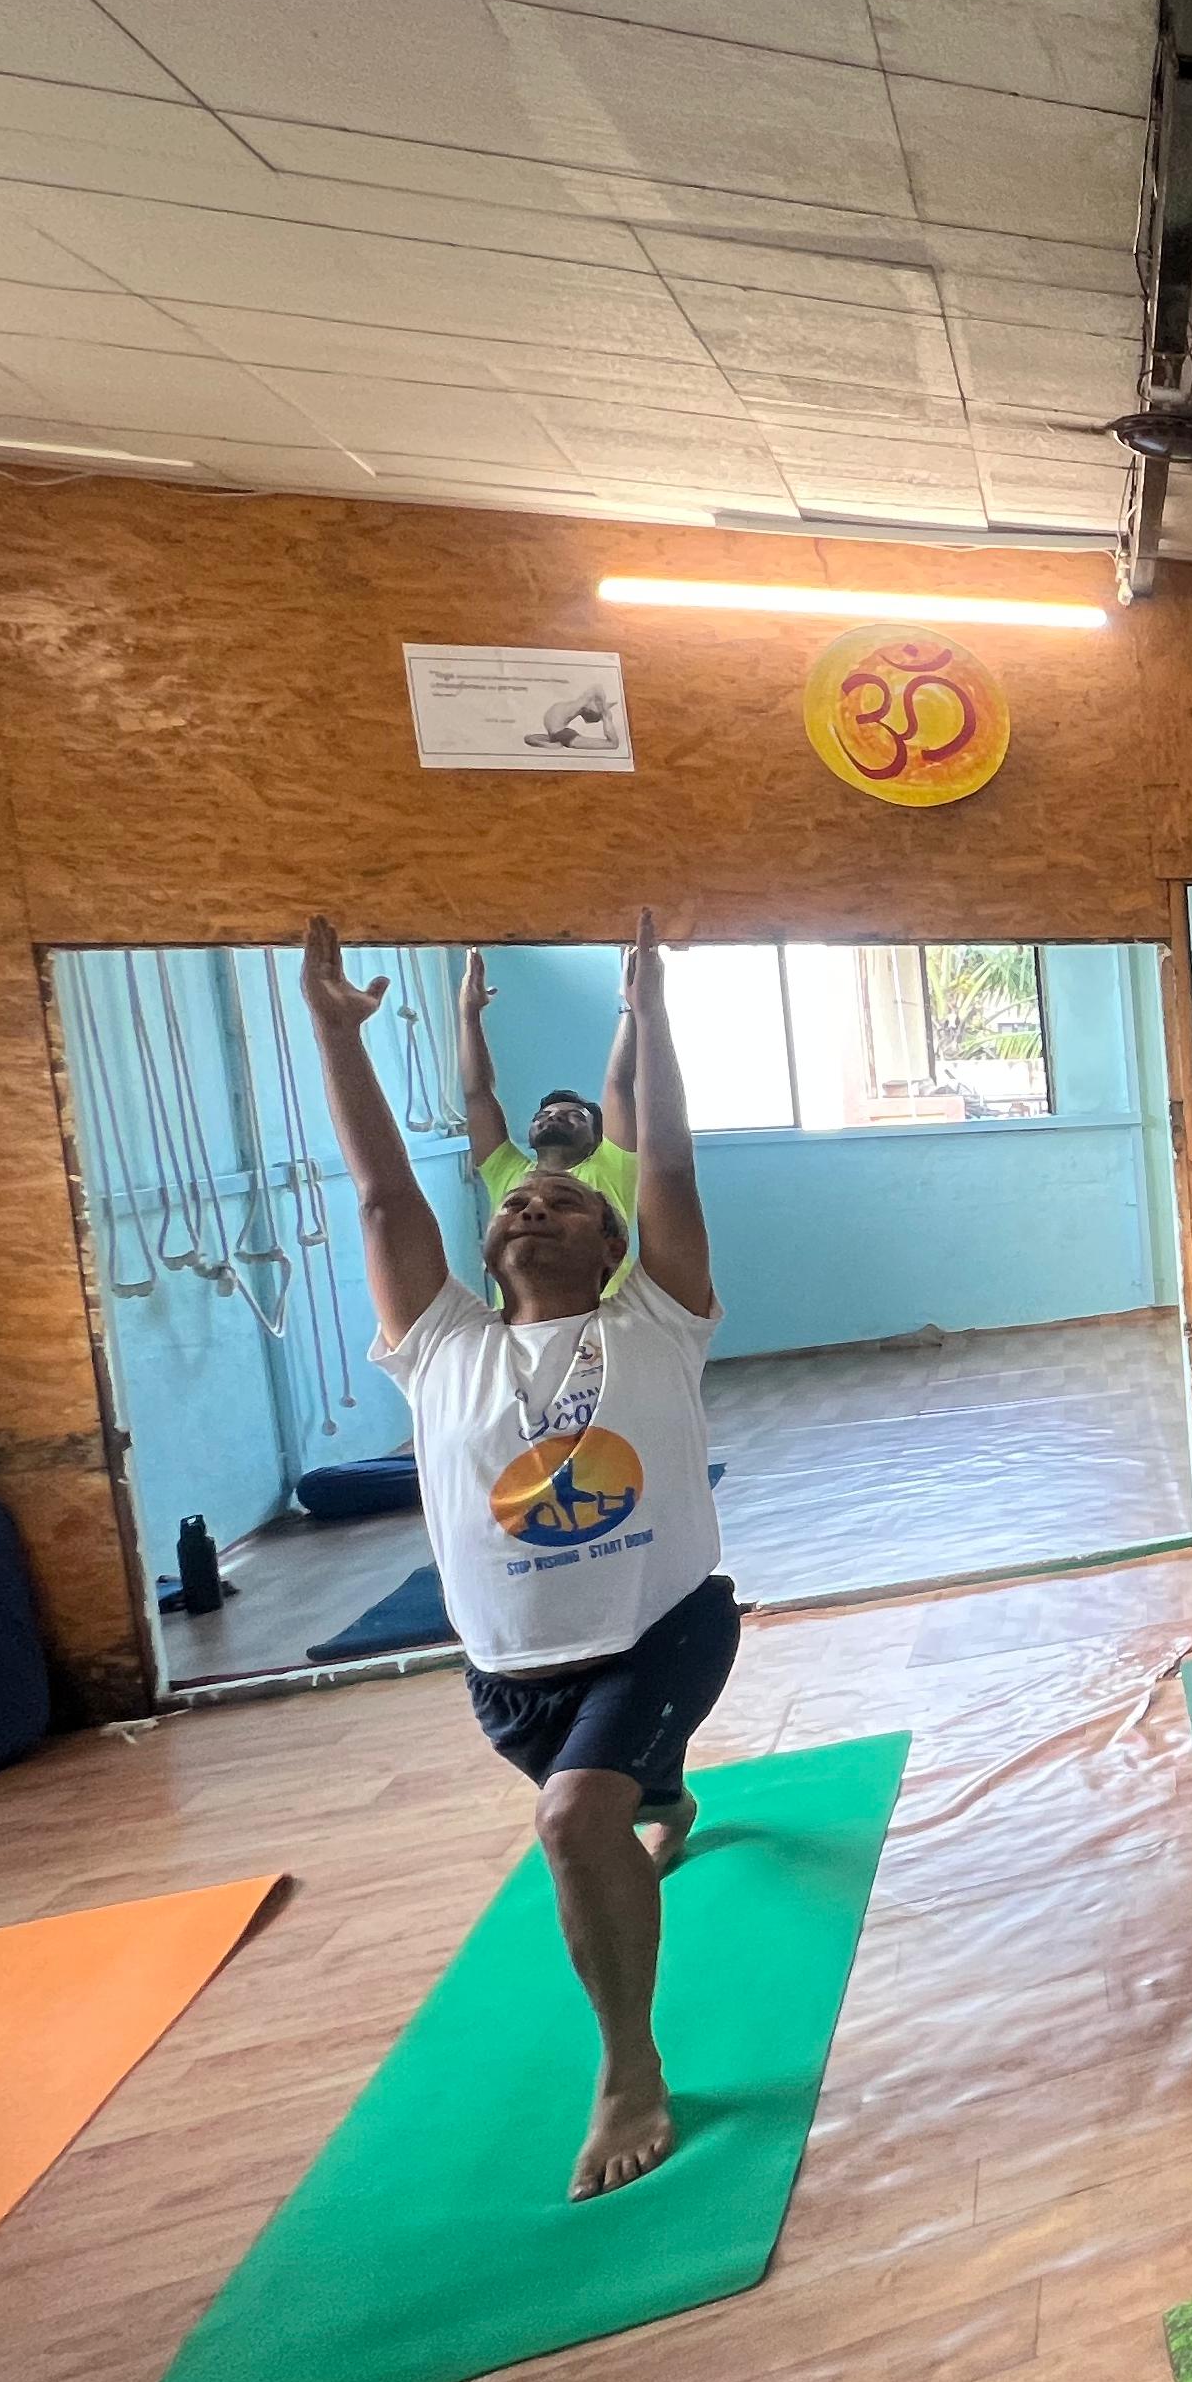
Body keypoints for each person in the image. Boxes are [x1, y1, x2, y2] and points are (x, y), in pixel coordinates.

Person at [308, 911, 732, 2203]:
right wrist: (338, 1036)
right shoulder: (439, 1347)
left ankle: (630, 2071)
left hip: (665, 1627)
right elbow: (386, 1197)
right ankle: (664, 1795)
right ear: (491, 1247)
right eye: (517, 1204)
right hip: (509, 1678)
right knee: (614, 1793)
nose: (535, 1205)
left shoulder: (658, 1317)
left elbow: (668, 1161)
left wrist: (649, 1015)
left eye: (567, 1203)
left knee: (573, 1816)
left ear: (612, 1244)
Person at [458, 945, 640, 1290]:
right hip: (522, 1320)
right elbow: (477, 1094)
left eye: (574, 1117)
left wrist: (632, 1008)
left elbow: (619, 1085)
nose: (554, 1118)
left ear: (595, 1139)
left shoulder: (610, 1168)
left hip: (606, 1316)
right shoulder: (508, 1173)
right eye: (545, 1114)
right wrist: (469, 1015)